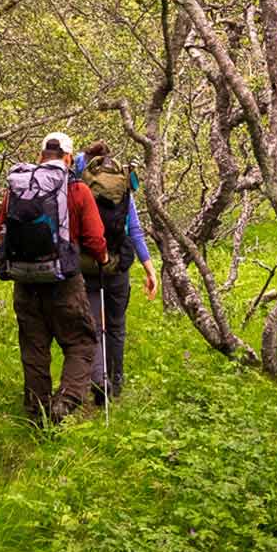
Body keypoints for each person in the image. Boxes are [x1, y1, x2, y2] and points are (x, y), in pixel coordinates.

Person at [0, 132, 108, 424]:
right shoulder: (77, 189)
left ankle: (36, 414)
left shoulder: (18, 187)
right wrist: (104, 258)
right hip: (63, 282)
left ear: (40, 155)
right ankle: (64, 404)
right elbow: (95, 240)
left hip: (24, 281)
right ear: (69, 158)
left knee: (34, 346)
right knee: (81, 342)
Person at [74, 141, 158, 406]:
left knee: (94, 327)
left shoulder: (78, 179)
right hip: (118, 264)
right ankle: (116, 384)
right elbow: (133, 228)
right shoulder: (121, 184)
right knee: (116, 327)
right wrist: (149, 267)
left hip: (87, 265)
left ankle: (99, 382)